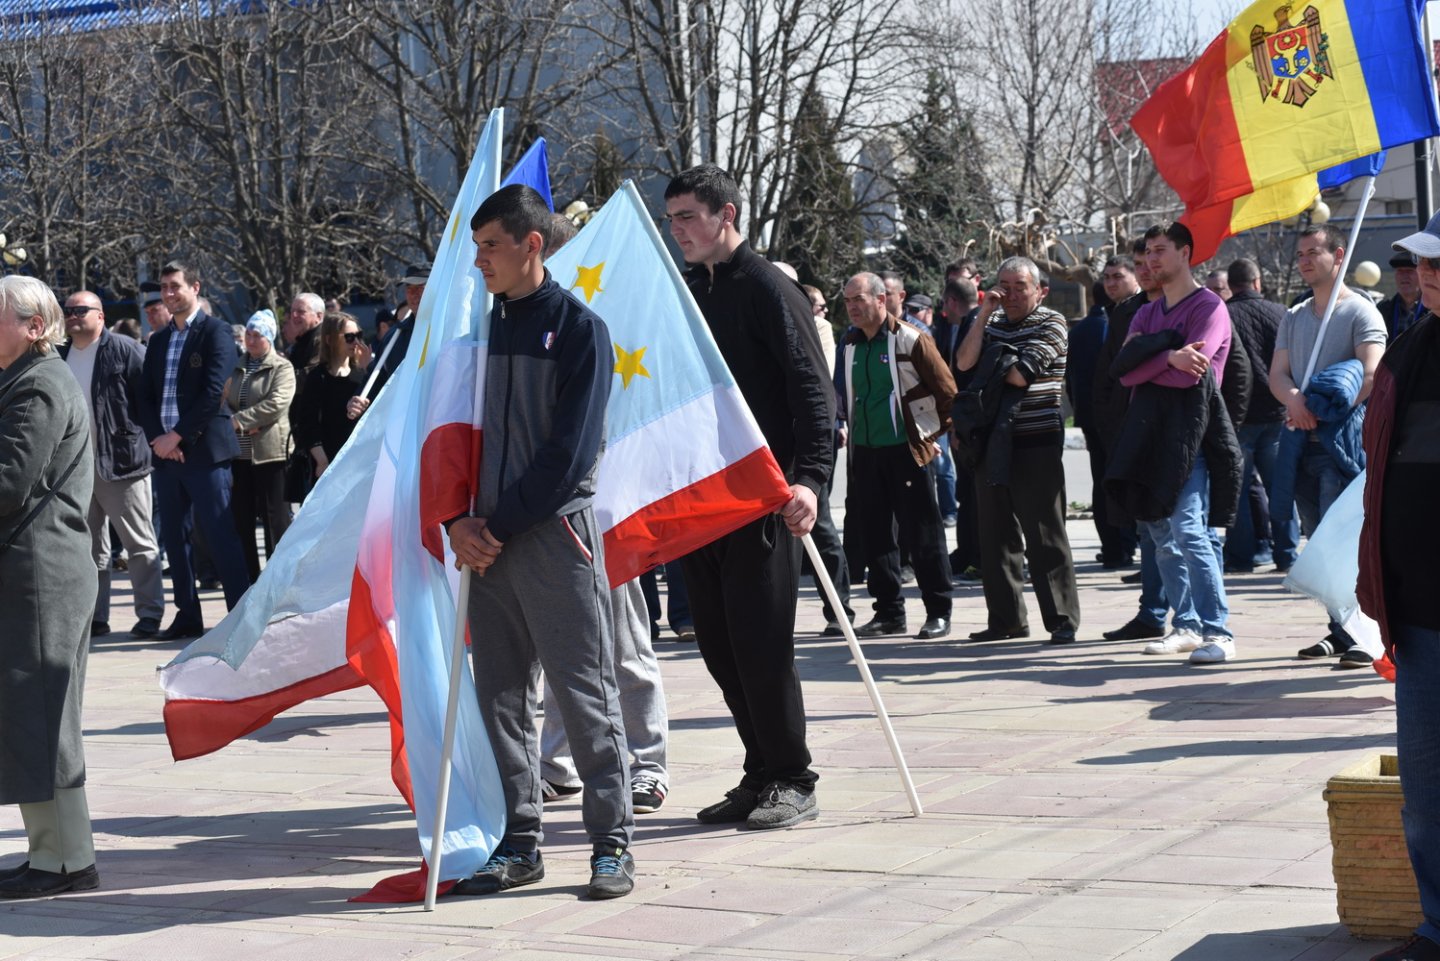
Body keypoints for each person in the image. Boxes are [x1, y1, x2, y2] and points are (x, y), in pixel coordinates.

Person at [446, 184, 634, 900]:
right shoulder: (477, 332)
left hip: (552, 540)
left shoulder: (580, 330)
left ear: (532, 244)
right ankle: (518, 840)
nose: (479, 260)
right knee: (499, 697)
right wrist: (455, 523)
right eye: (476, 246)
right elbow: (449, 442)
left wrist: (492, 526)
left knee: (583, 690)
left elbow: (571, 456)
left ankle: (611, 840)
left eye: (490, 245)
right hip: (483, 545)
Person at [665, 163, 833, 830]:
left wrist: (811, 480)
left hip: (764, 499)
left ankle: (793, 776)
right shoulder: (691, 290)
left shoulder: (768, 288)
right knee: (718, 644)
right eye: (671, 217)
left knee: (762, 646)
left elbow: (813, 392)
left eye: (687, 216)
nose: (676, 230)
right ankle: (759, 768)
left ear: (725, 214)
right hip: (703, 501)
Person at [0, 275, 100, 898]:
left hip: (42, 575)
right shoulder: (23, 378)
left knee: (45, 715)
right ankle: (53, 852)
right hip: (30, 571)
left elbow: (8, 482)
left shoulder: (37, 384)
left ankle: (65, 862)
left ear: (35, 326)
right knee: (32, 716)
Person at [1357, 209, 1440, 961]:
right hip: (1417, 616)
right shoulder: (1408, 351)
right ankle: (1436, 927)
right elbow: (1379, 473)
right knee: (1426, 797)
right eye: (1426, 265)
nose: (1429, 276)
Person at [1111, 223, 1240, 664]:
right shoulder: (1147, 312)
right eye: (1147, 251)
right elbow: (1125, 371)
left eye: (1160, 250)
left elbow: (1194, 373)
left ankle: (1218, 631)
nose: (1150, 260)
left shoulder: (1209, 307)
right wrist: (1167, 355)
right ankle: (1184, 625)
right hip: (1148, 432)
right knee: (1161, 536)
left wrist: (1155, 361)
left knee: (1189, 531)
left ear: (1186, 252)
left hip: (1191, 434)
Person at [1269, 224, 1385, 667]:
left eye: (1312, 252)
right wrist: (1295, 401)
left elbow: (1372, 373)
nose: (1303, 260)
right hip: (1300, 442)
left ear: (1339, 254)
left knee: (1346, 542)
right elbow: (1277, 373)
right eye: (1299, 253)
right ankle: (1338, 629)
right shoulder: (1295, 316)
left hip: (1342, 444)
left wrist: (1327, 411)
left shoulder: (1361, 312)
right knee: (1317, 538)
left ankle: (1365, 632)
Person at [954, 256, 1080, 645]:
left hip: (1035, 441)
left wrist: (991, 363)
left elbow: (1020, 373)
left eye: (1018, 287)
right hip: (990, 441)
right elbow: (963, 362)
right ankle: (1006, 619)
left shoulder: (1053, 322)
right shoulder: (989, 321)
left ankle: (1061, 619)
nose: (1008, 294)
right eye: (1002, 286)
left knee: (1044, 533)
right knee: (994, 536)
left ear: (1040, 290)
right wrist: (981, 316)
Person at [137, 261, 251, 638]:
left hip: (204, 454)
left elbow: (213, 393)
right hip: (167, 458)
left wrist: (178, 437)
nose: (168, 294)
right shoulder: (158, 340)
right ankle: (187, 614)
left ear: (195, 288)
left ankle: (239, 617)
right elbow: (145, 399)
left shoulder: (216, 333)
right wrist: (160, 439)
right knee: (175, 539)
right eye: (164, 288)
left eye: (175, 287)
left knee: (221, 535)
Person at [841, 272, 956, 640]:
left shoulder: (910, 338)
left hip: (906, 451)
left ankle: (938, 609)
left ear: (880, 299)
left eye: (859, 299)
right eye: (847, 301)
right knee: (876, 536)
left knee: (923, 533)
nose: (853, 307)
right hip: (866, 453)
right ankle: (889, 612)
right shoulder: (850, 344)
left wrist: (930, 434)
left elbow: (948, 392)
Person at [58, 290, 164, 639]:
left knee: (140, 544)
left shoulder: (125, 350)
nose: (73, 315)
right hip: (76, 469)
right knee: (90, 550)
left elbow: (149, 399)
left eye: (81, 310)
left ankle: (149, 614)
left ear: (100, 316)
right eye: (68, 310)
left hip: (123, 464)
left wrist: (147, 441)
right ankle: (96, 617)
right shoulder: (60, 355)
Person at [1095, 246, 1168, 642]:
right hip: (1133, 432)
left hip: (1177, 434)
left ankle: (1197, 619)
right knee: (1149, 530)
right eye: (1139, 264)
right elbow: (1111, 373)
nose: (1147, 269)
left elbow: (1231, 372)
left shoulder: (1194, 307)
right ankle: (1152, 612)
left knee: (1186, 535)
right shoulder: (1129, 313)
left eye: (1150, 263)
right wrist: (1113, 425)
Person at [1221, 258, 1290, 574]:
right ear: (1258, 282)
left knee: (1237, 491)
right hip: (1277, 411)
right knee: (1281, 487)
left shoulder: (1223, 316)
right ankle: (1287, 553)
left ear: (1231, 285)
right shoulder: (1281, 314)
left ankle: (1240, 555)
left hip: (1240, 416)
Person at [225, 310, 295, 583]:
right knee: (241, 519)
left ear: (269, 337)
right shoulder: (237, 366)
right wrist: (238, 423)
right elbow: (225, 399)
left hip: (270, 454)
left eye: (257, 335)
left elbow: (277, 404)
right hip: (239, 455)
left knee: (274, 518)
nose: (250, 340)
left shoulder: (281, 367)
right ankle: (249, 579)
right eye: (248, 335)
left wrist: (238, 421)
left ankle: (277, 581)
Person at [800, 282, 853, 634]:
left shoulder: (817, 327)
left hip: (808, 438)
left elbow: (821, 383)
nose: (823, 311)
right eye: (817, 305)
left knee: (819, 523)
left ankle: (839, 608)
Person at [1068, 281, 1132, 569]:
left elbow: (1069, 379)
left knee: (1100, 481)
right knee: (1120, 479)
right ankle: (1123, 545)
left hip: (1089, 415)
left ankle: (1111, 547)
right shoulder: (1113, 326)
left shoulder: (1078, 331)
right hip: (1115, 416)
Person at [295, 313, 369, 481]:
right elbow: (307, 424)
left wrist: (368, 370)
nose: (356, 342)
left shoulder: (362, 375)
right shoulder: (317, 377)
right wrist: (322, 462)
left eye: (359, 336)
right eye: (349, 337)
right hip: (327, 462)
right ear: (329, 340)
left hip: (358, 463)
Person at [1380, 250, 1424, 342]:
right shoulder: (1382, 310)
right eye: (1400, 271)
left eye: (1409, 271)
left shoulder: (1434, 310)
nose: (1404, 276)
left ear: (1421, 275)